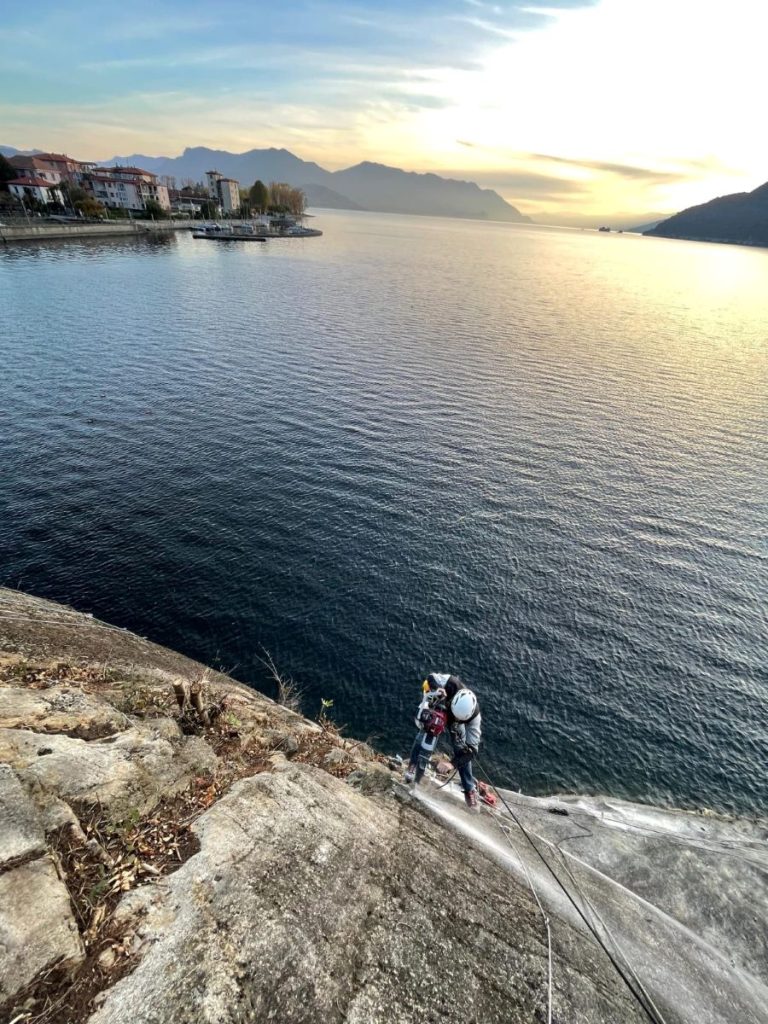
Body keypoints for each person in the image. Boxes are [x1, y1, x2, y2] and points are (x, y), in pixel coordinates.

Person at [404, 673, 482, 809]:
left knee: (462, 750)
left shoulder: (474, 718)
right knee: (425, 734)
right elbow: (431, 677)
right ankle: (413, 765)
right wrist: (437, 688)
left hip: (456, 725)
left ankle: (469, 788)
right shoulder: (452, 683)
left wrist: (452, 764)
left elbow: (472, 751)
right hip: (442, 707)